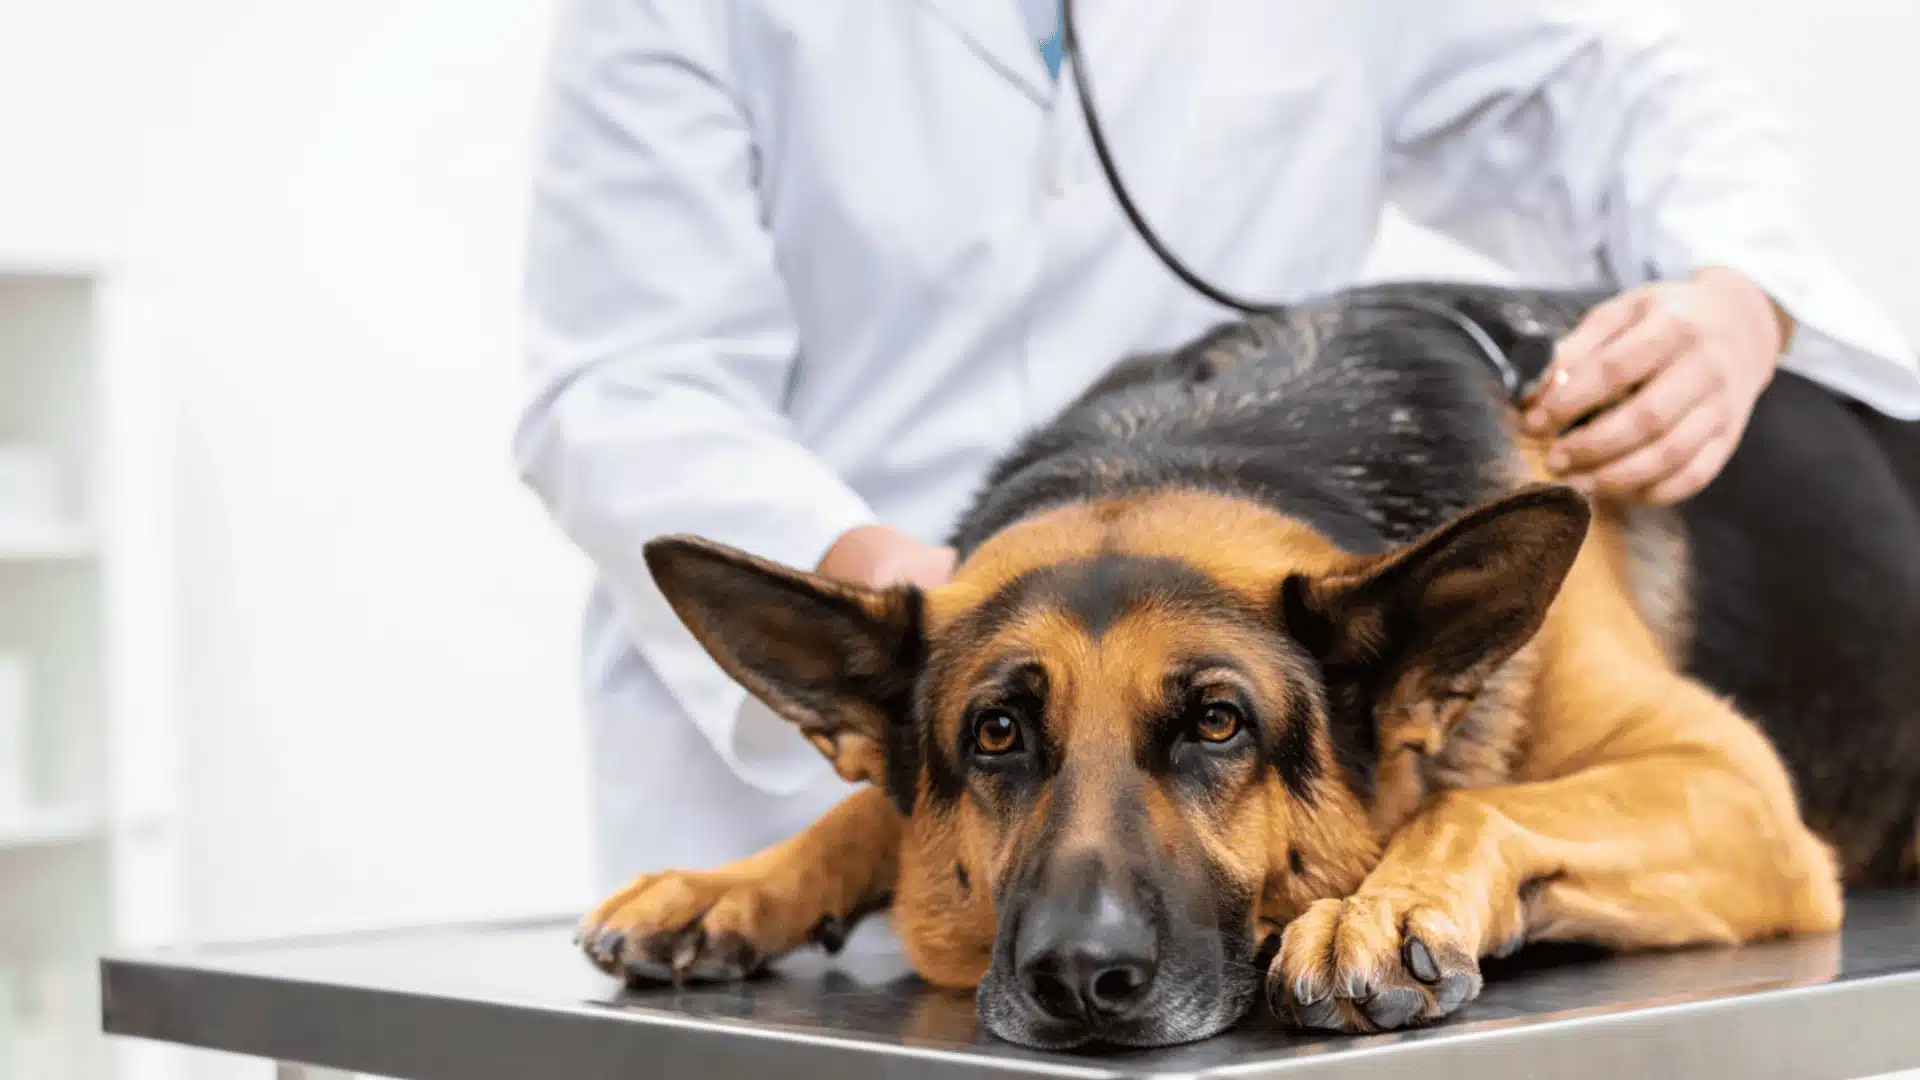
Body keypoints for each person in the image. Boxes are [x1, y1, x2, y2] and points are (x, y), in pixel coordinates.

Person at [514, 0, 1920, 890]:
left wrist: (1738, 292)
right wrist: (916, 618)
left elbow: (1617, 93)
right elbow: (630, 384)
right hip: (823, 714)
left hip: (1238, 727)